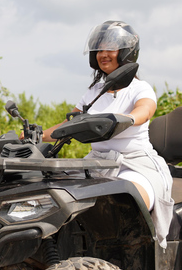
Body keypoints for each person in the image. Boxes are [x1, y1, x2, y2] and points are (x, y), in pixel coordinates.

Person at [42, 20, 173, 247]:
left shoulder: (140, 88)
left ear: (126, 52)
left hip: (136, 166)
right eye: (99, 49)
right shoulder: (93, 93)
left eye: (109, 49)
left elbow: (145, 109)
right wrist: (35, 135)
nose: (103, 54)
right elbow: (65, 126)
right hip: (97, 166)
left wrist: (128, 119)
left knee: (123, 200)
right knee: (54, 195)